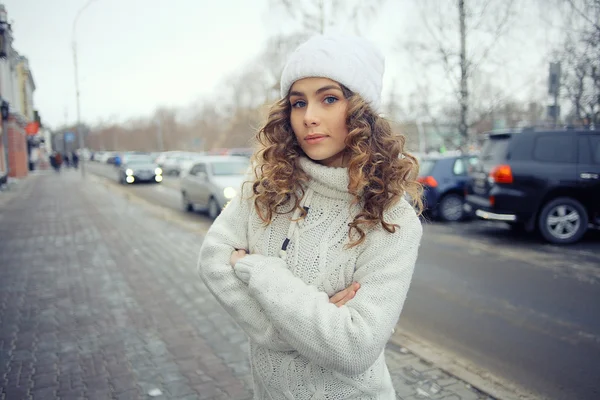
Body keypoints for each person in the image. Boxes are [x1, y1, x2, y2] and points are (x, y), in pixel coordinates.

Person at [198, 33, 423, 399]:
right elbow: (213, 259)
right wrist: (290, 330)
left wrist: (260, 272)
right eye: (298, 103)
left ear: (362, 112)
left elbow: (354, 347)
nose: (309, 117)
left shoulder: (389, 216)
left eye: (329, 99)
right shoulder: (265, 187)